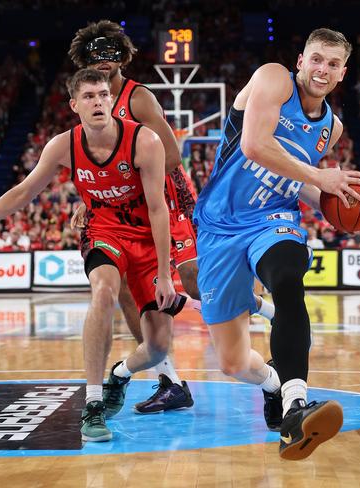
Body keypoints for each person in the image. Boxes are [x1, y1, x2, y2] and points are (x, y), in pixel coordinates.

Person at [0, 68, 184, 442]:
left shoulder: (145, 141)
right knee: (104, 292)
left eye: (104, 94)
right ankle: (91, 404)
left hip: (146, 237)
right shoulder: (62, 146)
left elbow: (158, 210)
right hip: (103, 231)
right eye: (89, 96)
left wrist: (167, 275)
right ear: (74, 105)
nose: (99, 102)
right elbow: (23, 193)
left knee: (157, 348)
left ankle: (119, 374)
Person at [68, 20, 274, 414]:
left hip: (167, 200)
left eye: (112, 55)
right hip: (127, 212)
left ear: (123, 58)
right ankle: (169, 380)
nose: (105, 63)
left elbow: (173, 157)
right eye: (97, 57)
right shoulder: (92, 104)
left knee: (198, 282)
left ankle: (269, 313)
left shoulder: (136, 97)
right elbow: (100, 164)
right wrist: (96, 198)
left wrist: (133, 175)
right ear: (85, 62)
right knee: (131, 295)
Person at [193, 28, 360, 460]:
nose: (322, 69)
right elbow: (255, 145)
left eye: (332, 64)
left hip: (274, 218)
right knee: (232, 362)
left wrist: (337, 200)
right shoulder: (273, 78)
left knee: (289, 278)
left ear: (342, 73)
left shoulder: (332, 127)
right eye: (316, 59)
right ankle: (272, 383)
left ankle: (295, 407)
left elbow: (298, 177)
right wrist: (321, 178)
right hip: (220, 225)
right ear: (300, 60)